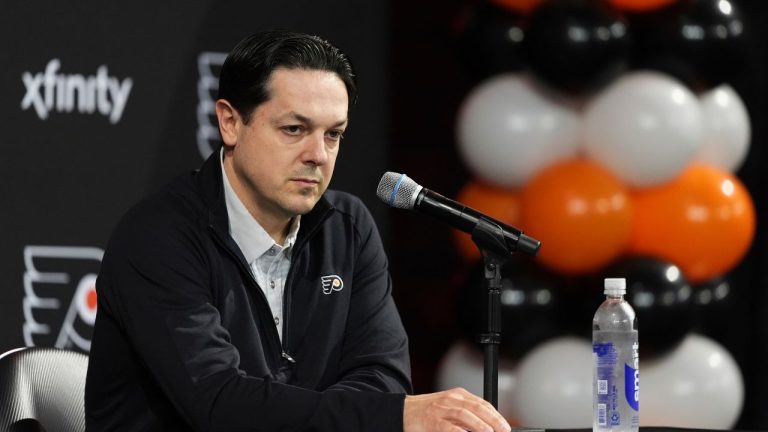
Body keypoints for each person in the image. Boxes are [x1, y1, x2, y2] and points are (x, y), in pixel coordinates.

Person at [85, 30, 512, 432]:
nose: (318, 155)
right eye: (295, 129)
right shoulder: (159, 235)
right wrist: (389, 418)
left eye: (334, 135)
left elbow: (382, 375)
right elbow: (217, 403)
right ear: (230, 122)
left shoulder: (347, 227)